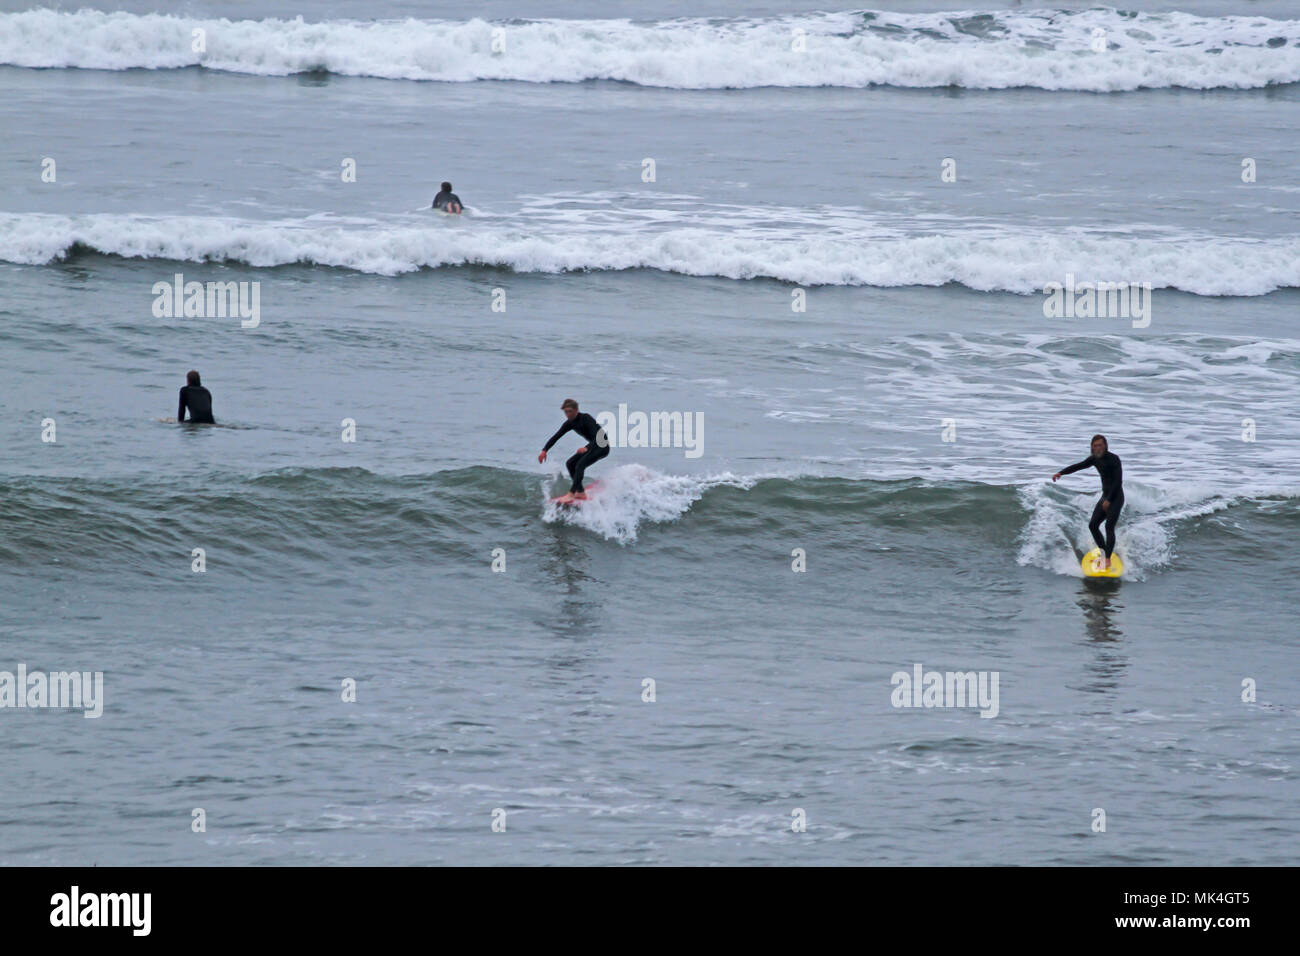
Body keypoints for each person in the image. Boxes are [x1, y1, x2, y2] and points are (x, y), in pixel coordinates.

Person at [1053, 434, 1123, 570]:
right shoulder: (1094, 459)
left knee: (1109, 527)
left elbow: (1118, 481)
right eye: (1095, 446)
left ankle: (1107, 559)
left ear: (1105, 446)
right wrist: (1061, 473)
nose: (1098, 448)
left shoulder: (1114, 459)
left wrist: (1109, 499)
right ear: (1092, 447)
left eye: (1100, 445)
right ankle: (1104, 553)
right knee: (1093, 525)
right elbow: (1078, 466)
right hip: (1105, 496)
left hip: (1116, 497)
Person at [538, 398, 610, 499]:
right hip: (592, 446)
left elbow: (599, 438)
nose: (568, 414)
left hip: (602, 447)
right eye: (566, 412)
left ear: (576, 410)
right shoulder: (569, 423)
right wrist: (544, 450)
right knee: (570, 463)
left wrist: (586, 448)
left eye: (570, 411)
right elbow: (556, 436)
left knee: (580, 464)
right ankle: (580, 491)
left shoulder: (586, 418)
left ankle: (571, 493)